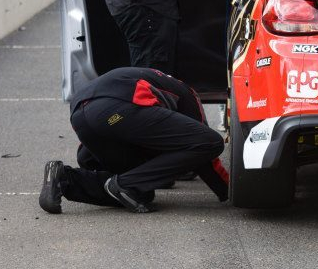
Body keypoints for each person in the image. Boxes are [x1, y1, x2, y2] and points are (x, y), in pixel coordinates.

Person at [39, 67, 228, 214]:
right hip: (117, 110)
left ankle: (64, 179)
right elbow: (204, 149)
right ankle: (126, 185)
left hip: (81, 117)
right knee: (211, 141)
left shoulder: (150, 79)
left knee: (140, 191)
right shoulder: (189, 94)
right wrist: (232, 190)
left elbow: (86, 156)